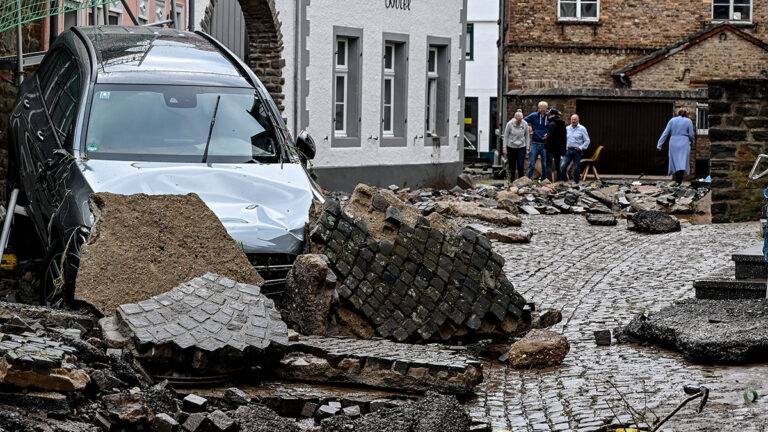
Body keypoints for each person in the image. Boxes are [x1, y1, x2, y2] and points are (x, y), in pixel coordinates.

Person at [657, 108, 695, 184]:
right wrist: (692, 142)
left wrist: (659, 144)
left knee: (675, 161)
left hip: (673, 142)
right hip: (684, 142)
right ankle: (679, 181)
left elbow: (665, 133)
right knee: (682, 162)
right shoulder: (688, 121)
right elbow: (691, 135)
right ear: (686, 113)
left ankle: (677, 181)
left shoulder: (672, 120)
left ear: (678, 113)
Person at [560, 114, 590, 183]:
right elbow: (563, 139)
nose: (573, 121)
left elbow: (587, 140)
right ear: (570, 120)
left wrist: (581, 147)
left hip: (577, 151)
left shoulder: (582, 129)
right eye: (572, 119)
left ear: (578, 120)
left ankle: (576, 182)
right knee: (563, 166)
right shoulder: (567, 128)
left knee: (576, 167)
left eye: (575, 119)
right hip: (568, 150)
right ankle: (563, 182)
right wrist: (564, 147)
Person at [502, 109, 530, 181]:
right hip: (511, 146)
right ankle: (511, 181)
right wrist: (504, 148)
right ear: (515, 119)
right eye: (518, 120)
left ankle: (521, 181)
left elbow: (527, 136)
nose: (519, 122)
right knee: (512, 166)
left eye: (520, 120)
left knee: (520, 165)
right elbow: (506, 136)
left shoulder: (525, 124)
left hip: (521, 146)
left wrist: (527, 148)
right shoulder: (509, 124)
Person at [524, 101, 549, 179]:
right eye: (541, 109)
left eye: (544, 109)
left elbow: (554, 126)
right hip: (535, 143)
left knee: (544, 164)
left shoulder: (549, 116)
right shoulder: (534, 116)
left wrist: (549, 133)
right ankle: (530, 180)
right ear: (539, 108)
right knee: (532, 163)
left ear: (547, 108)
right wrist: (528, 127)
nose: (543, 111)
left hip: (545, 144)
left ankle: (543, 180)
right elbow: (523, 121)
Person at [544, 108, 566, 182]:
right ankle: (560, 180)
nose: (548, 116)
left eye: (549, 115)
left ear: (553, 115)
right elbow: (564, 137)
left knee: (548, 165)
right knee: (557, 164)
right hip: (559, 148)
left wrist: (546, 143)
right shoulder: (562, 124)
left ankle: (549, 181)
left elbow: (550, 137)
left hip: (550, 148)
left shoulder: (552, 124)